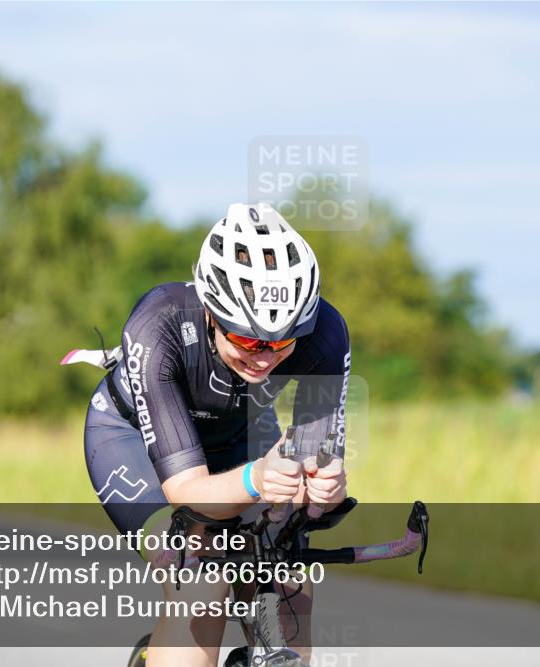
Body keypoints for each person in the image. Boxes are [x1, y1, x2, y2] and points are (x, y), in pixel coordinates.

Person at [80, 203, 351, 667]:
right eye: (248, 341)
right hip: (131, 440)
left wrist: (324, 487)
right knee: (200, 579)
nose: (265, 358)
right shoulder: (159, 321)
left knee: (284, 583)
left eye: (283, 342)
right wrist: (257, 480)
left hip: (241, 437)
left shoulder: (324, 334)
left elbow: (317, 460)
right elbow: (186, 490)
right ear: (210, 311)